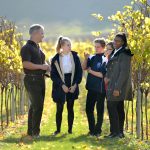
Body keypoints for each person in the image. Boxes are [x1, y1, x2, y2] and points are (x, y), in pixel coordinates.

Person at [20, 24, 50, 138]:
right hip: (32, 79)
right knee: (37, 105)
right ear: (35, 33)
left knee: (36, 105)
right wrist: (41, 67)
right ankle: (35, 132)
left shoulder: (38, 47)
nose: (43, 35)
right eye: (42, 33)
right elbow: (26, 64)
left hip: (39, 79)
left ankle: (31, 132)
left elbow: (42, 62)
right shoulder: (27, 48)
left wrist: (47, 66)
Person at [50, 36, 82, 135]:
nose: (70, 47)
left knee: (70, 107)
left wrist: (75, 84)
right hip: (60, 83)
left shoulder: (75, 57)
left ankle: (70, 130)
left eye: (70, 45)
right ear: (62, 46)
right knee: (59, 108)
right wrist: (62, 85)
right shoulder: (56, 59)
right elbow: (53, 75)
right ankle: (58, 129)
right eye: (68, 45)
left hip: (71, 81)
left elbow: (79, 72)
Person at [104, 33, 133, 138]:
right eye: (115, 40)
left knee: (112, 106)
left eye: (118, 41)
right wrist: (107, 77)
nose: (115, 42)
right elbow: (111, 67)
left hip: (118, 85)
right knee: (119, 107)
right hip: (112, 83)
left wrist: (117, 88)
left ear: (123, 42)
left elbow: (124, 72)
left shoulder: (125, 53)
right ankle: (118, 132)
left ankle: (116, 132)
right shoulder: (115, 52)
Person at [82, 38, 107, 137]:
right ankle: (92, 130)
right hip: (91, 88)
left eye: (98, 47)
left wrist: (91, 71)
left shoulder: (105, 59)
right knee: (88, 109)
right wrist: (85, 58)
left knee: (99, 110)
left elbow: (102, 75)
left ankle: (98, 130)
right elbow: (84, 67)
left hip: (100, 89)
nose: (96, 48)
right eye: (95, 47)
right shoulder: (91, 58)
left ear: (103, 47)